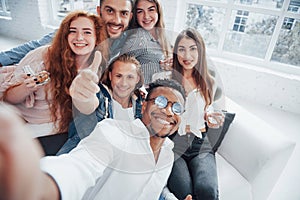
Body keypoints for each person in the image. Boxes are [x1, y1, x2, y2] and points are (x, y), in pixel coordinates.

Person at [0, 79, 193, 200]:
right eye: (160, 102)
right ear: (143, 107)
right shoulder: (114, 132)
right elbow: (81, 165)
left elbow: (153, 187)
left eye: (176, 108)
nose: (168, 111)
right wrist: (39, 186)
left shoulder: (168, 153)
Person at [2, 11, 108, 137]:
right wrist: (26, 88)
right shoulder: (42, 56)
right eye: (72, 31)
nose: (79, 37)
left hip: (49, 129)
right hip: (16, 117)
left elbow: (90, 109)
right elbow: (8, 98)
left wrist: (86, 97)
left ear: (96, 38)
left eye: (87, 32)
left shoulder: (97, 68)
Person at [163, 28, 225, 200]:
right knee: (185, 194)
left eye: (193, 48)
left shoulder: (209, 82)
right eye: (181, 49)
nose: (187, 55)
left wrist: (211, 117)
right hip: (174, 145)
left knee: (207, 191)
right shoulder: (167, 79)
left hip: (200, 144)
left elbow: (208, 109)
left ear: (201, 50)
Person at [0, 0, 134, 67]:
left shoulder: (127, 39)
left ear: (130, 16)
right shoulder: (81, 28)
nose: (117, 20)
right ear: (99, 10)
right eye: (110, 11)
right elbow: (35, 46)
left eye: (123, 13)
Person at [57, 54, 145, 155]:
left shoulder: (141, 104)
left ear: (137, 79)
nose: (123, 83)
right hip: (84, 159)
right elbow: (88, 105)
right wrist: (84, 97)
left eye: (130, 77)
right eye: (118, 76)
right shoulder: (99, 94)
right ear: (110, 76)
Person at [120, 0, 172, 85]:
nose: (146, 16)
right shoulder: (137, 38)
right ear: (135, 15)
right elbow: (117, 67)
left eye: (151, 10)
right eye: (140, 11)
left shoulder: (162, 37)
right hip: (142, 95)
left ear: (158, 11)